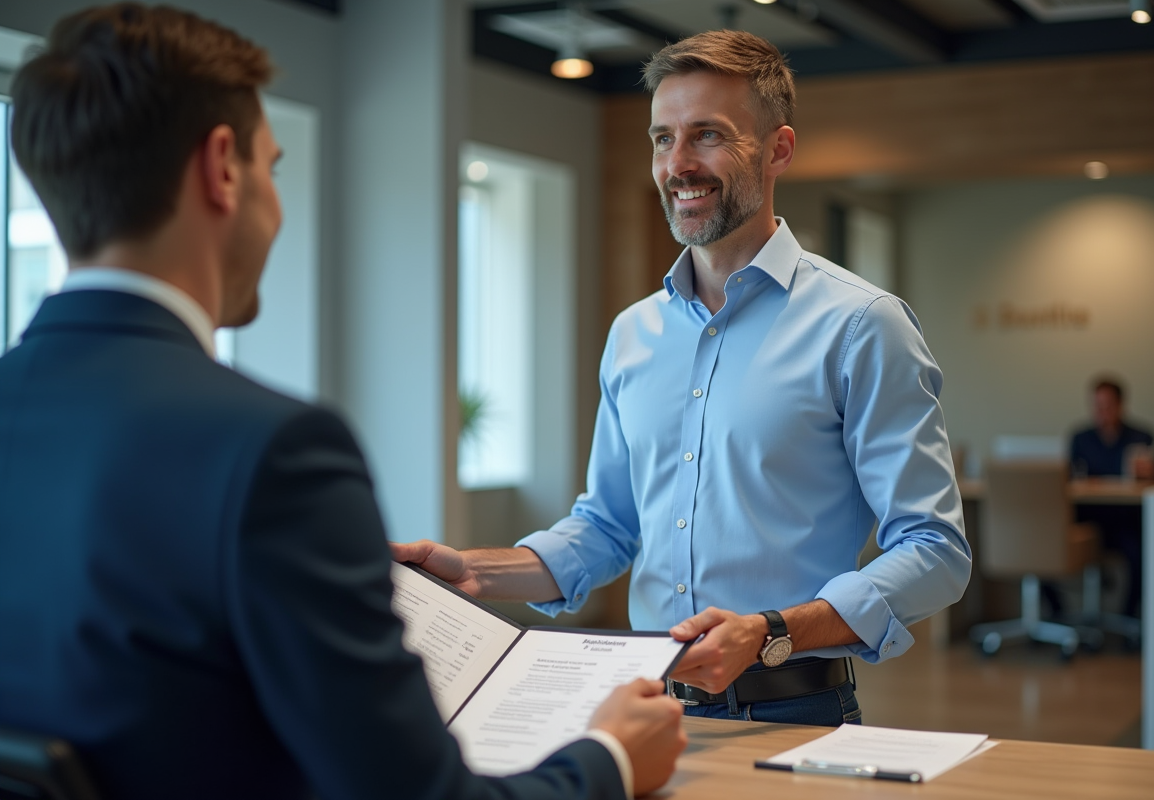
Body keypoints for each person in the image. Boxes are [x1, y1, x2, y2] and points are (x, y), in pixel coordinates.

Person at [0, 5, 685, 800]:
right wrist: (610, 758)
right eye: (272, 167)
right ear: (222, 169)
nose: (276, 205)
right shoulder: (272, 450)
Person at [395, 30, 970, 727]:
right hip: (645, 712)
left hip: (796, 710)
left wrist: (771, 631)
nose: (677, 164)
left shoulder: (862, 326)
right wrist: (475, 571)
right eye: (662, 139)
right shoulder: (633, 334)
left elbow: (935, 550)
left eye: (707, 135)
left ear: (778, 149)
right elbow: (606, 527)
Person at [1069, 376, 1154, 619]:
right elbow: (1069, 476)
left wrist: (1153, 472)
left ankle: (1128, 619)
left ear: (1121, 405)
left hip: (1125, 521)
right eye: (1097, 406)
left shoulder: (1141, 437)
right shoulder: (1081, 438)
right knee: (1044, 540)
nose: (1102, 412)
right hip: (1089, 521)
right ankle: (1057, 614)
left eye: (1108, 405)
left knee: (1142, 553)